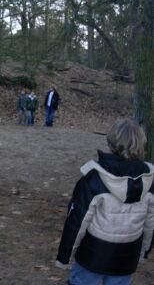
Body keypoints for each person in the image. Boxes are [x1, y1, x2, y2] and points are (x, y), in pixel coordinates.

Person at [56, 119, 154, 285]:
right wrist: (144, 251)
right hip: (127, 256)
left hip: (92, 255)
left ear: (111, 142)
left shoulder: (93, 178)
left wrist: (65, 257)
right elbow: (151, 223)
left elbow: (76, 221)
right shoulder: (150, 181)